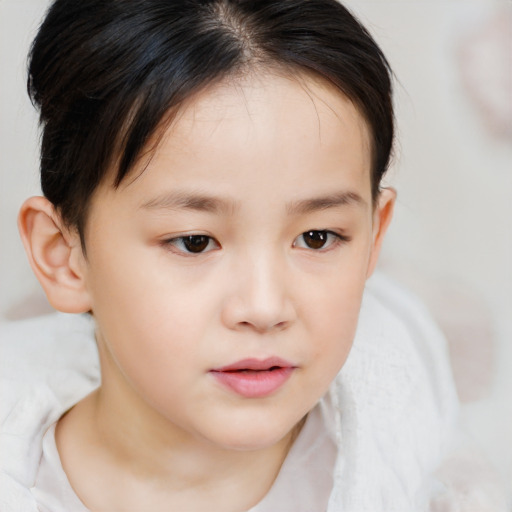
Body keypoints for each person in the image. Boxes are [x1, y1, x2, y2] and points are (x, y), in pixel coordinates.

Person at [0, 0, 502, 510]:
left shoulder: (407, 435)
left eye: (317, 237)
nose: (264, 308)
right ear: (62, 254)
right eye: (195, 241)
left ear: (374, 236)